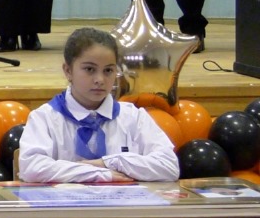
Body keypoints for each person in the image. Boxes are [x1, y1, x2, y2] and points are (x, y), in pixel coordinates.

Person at [19, 27, 179, 183]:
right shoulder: (45, 118)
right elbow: (31, 168)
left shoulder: (133, 117)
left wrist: (110, 162)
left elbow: (169, 166)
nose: (100, 80)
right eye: (90, 69)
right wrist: (98, 173)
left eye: (108, 71)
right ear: (68, 71)